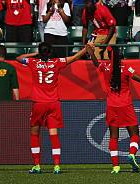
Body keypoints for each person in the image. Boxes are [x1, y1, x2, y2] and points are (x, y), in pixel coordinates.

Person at [86, 44, 140, 174]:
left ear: (109, 56)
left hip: (112, 105)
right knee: (134, 135)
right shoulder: (127, 69)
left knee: (113, 137)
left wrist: (91, 53)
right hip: (126, 105)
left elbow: (96, 63)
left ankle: (116, 166)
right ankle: (132, 154)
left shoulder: (105, 67)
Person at [16, 42, 88, 174]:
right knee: (53, 135)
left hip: (38, 103)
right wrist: (85, 49)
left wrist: (36, 54)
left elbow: (19, 58)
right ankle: (56, 166)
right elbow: (74, 58)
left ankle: (37, 166)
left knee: (34, 133)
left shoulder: (33, 62)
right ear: (50, 52)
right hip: (53, 103)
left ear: (40, 51)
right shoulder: (56, 62)